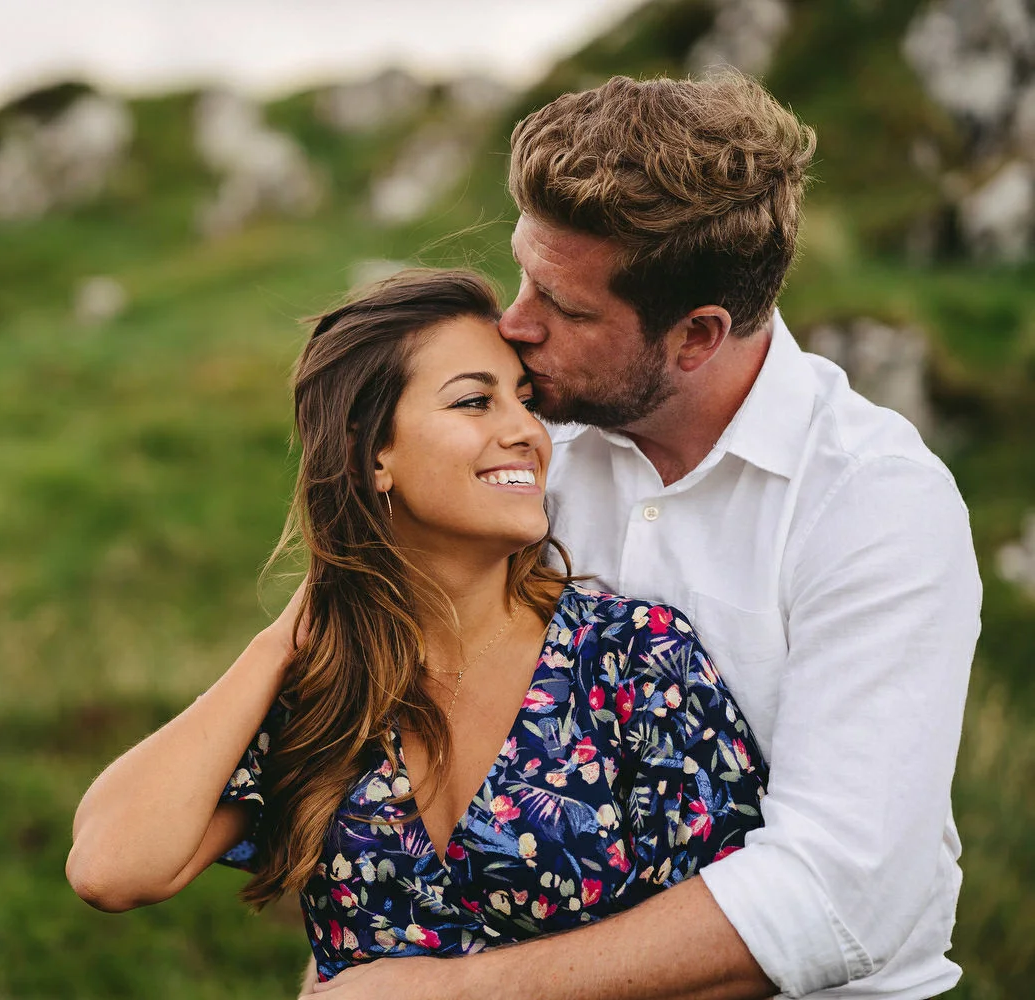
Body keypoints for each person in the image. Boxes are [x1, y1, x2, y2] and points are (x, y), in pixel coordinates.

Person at [307, 74, 981, 1000]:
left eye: (564, 306)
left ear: (697, 336)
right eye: (522, 271)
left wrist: (450, 992)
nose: (514, 322)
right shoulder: (527, 445)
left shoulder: (873, 508)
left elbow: (840, 894)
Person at [65, 269, 768, 984]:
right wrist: (280, 643)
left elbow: (742, 957)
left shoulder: (633, 659)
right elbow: (111, 868)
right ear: (374, 456)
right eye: (474, 401)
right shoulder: (325, 692)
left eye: (525, 402)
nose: (525, 431)